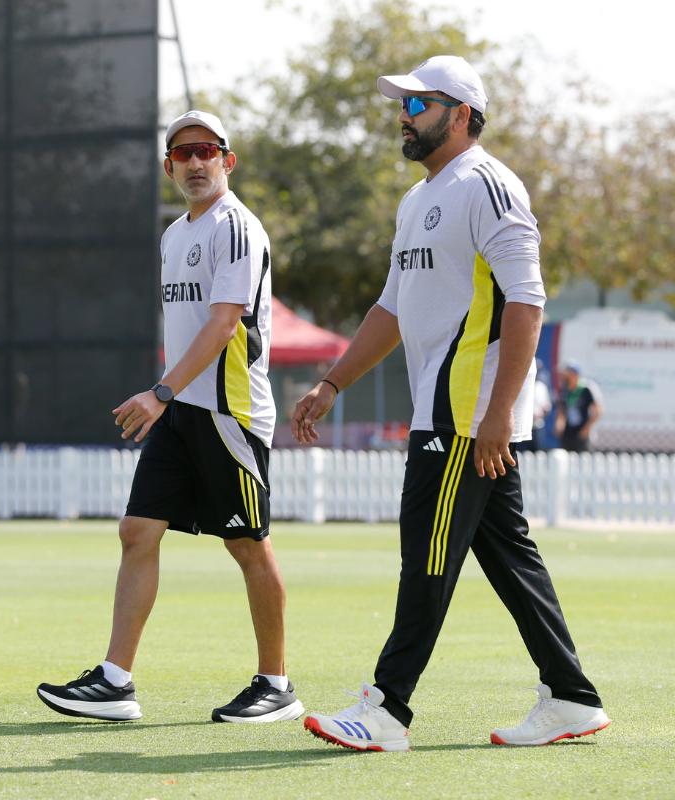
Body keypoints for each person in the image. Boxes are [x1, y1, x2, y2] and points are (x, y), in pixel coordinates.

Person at [289, 56, 609, 751]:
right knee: (509, 557)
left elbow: (528, 301)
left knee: (427, 559)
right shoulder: (418, 200)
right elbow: (391, 308)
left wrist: (497, 412)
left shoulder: (488, 186)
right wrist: (331, 382)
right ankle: (572, 697)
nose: (402, 117)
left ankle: (386, 710)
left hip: (466, 415)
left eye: (417, 105)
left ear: (460, 113)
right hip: (455, 410)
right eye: (402, 106)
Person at [37, 110, 303, 725]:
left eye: (206, 150)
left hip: (229, 413)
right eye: (182, 153)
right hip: (183, 411)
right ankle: (115, 681)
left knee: (247, 545)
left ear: (227, 161)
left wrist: (159, 391)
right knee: (137, 531)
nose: (194, 162)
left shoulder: (237, 227)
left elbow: (224, 322)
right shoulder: (175, 235)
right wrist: (169, 398)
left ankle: (277, 685)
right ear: (168, 167)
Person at [554, 361, 603, 452]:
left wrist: (587, 428)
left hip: (582, 432)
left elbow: (598, 411)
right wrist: (559, 424)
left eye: (566, 374)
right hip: (568, 433)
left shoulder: (587, 388)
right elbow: (562, 410)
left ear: (574, 374)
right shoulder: (564, 390)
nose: (563, 377)